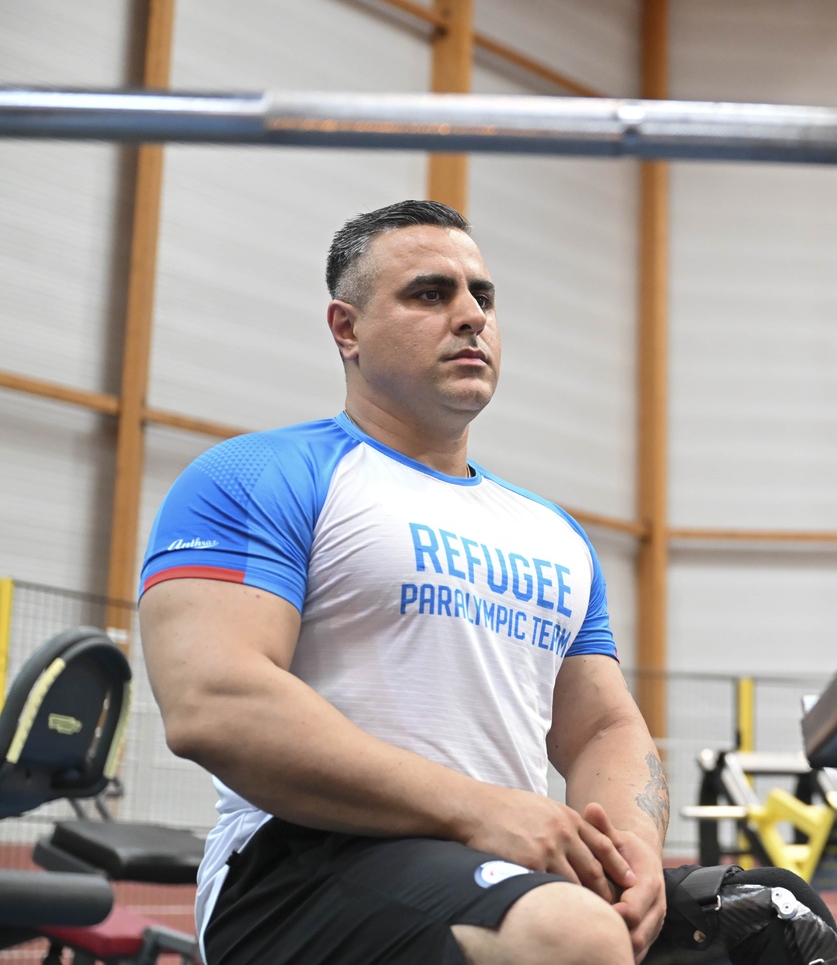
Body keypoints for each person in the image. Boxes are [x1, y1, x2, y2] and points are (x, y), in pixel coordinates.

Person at [139, 200, 667, 965]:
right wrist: (480, 811)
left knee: (773, 919)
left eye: (481, 296)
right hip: (298, 867)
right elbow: (212, 703)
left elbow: (604, 728)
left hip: (501, 867)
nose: (469, 317)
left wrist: (633, 852)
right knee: (571, 935)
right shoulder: (260, 475)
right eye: (430, 293)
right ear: (345, 329)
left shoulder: (554, 532)